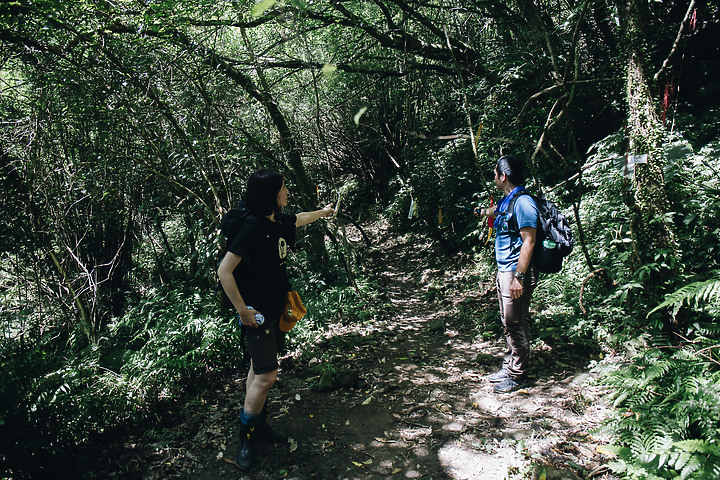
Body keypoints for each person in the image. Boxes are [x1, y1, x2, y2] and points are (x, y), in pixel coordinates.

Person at [217, 169, 334, 470]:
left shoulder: (275, 219)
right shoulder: (252, 226)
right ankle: (245, 439)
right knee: (268, 377)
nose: (287, 193)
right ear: (271, 194)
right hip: (256, 315)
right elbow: (224, 271)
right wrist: (243, 311)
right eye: (283, 189)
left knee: (258, 371)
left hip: (274, 307)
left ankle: (259, 426)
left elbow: (299, 218)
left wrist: (323, 212)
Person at [474, 155, 539, 394]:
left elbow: (529, 241)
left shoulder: (523, 203)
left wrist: (519, 277)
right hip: (505, 271)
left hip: (515, 273)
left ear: (503, 176)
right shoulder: (507, 201)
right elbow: (494, 211)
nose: (494, 178)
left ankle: (518, 374)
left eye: (495, 174)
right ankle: (510, 364)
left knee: (515, 322)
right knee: (507, 320)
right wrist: (481, 212)